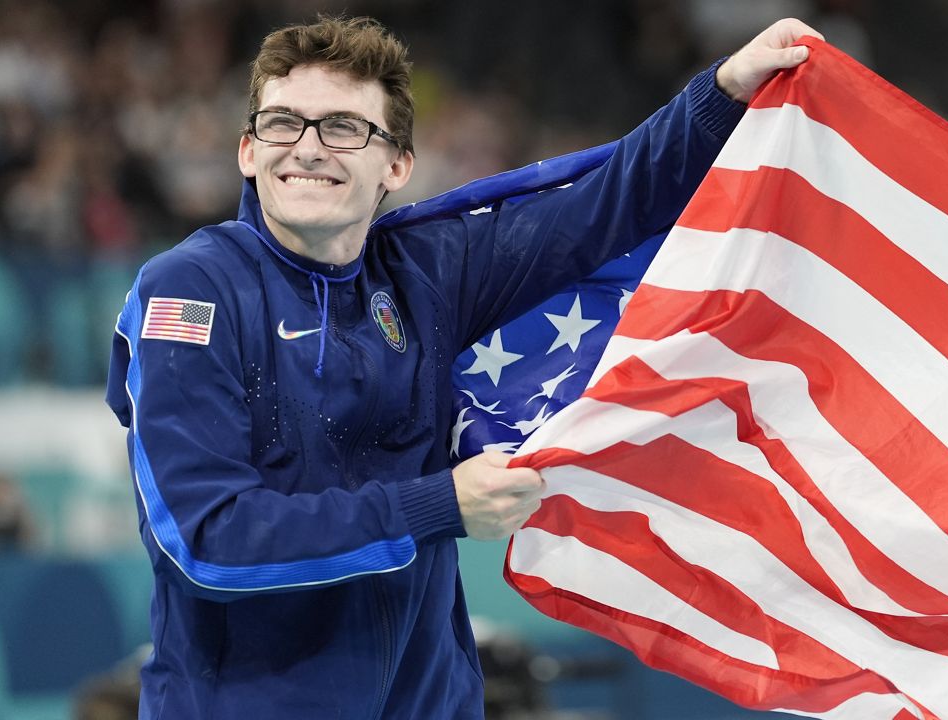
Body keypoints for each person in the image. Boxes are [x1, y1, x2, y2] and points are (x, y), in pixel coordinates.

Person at [104, 14, 822, 719]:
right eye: (283, 123)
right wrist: (439, 506)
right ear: (247, 151)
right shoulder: (191, 291)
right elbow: (207, 541)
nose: (308, 148)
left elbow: (605, 205)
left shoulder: (424, 275)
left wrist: (725, 92)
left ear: (398, 163)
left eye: (343, 127)